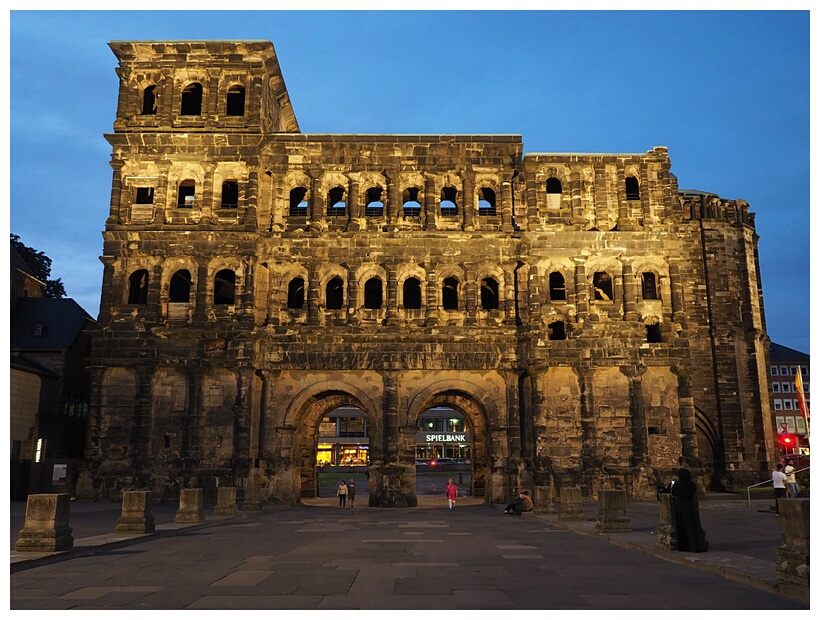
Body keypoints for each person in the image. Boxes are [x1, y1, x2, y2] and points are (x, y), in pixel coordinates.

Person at [669, 468, 708, 552]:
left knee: (682, 526)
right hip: (690, 506)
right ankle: (695, 545)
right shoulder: (692, 484)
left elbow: (673, 492)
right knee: (692, 526)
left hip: (680, 506)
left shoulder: (677, 484)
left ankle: (684, 546)